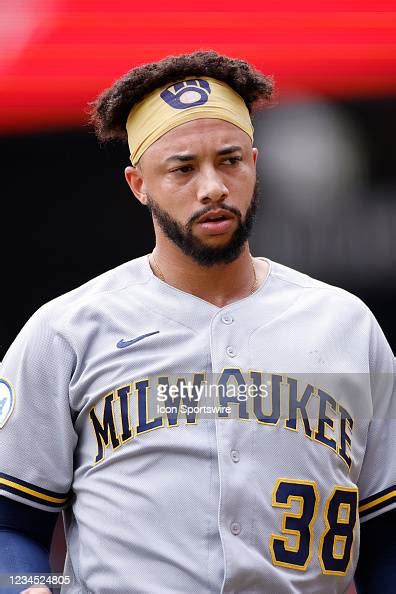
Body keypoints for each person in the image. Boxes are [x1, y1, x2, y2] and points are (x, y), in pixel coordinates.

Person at [0, 50, 395, 594]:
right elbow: (10, 525)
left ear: (255, 163)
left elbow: (386, 534)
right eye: (183, 167)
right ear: (138, 184)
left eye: (229, 160)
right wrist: (27, 587)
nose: (212, 187)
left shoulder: (347, 325)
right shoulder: (66, 331)